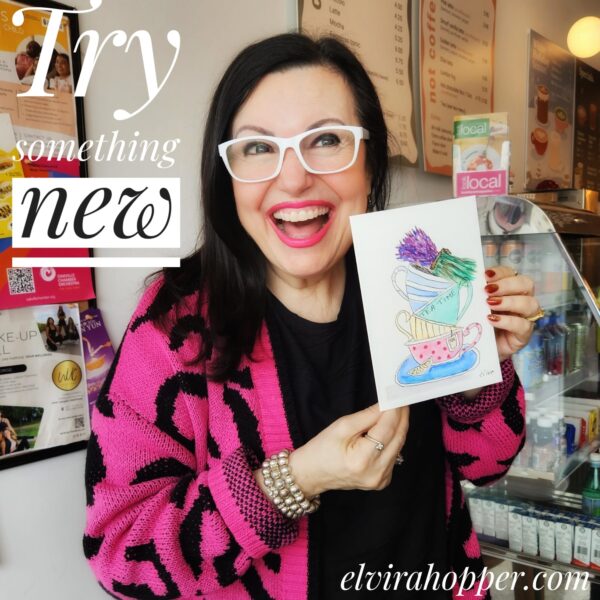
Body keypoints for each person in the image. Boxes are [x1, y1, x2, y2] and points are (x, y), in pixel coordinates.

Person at [84, 34, 540, 599]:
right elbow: (121, 556)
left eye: (326, 140)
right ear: (226, 176)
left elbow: (487, 464)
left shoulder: (411, 280)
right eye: (257, 147)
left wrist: (479, 376)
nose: (294, 178)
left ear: (369, 161)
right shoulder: (174, 326)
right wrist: (294, 481)